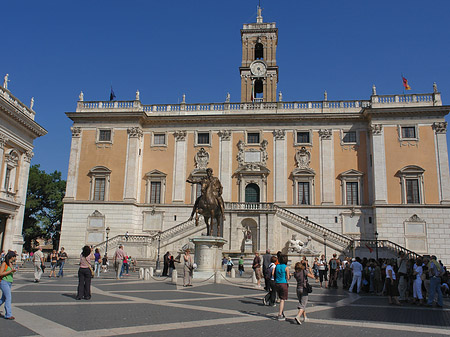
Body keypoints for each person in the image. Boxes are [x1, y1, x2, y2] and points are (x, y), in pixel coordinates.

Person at [293, 261, 315, 325]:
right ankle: (298, 316)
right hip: (304, 289)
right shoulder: (304, 272)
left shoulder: (295, 273)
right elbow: (312, 277)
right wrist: (310, 271)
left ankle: (305, 317)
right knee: (303, 304)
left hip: (298, 289)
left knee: (301, 303)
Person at [0, 251, 17, 320]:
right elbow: (0, 273)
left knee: (3, 298)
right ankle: (8, 314)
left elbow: (11, 272)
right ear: (11, 257)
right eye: (14, 256)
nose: (15, 258)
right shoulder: (4, 263)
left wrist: (13, 271)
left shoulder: (10, 263)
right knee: (8, 297)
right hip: (4, 282)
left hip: (9, 282)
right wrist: (10, 271)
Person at [274, 254, 290, 321]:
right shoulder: (286, 267)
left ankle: (282, 312)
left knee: (280, 297)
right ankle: (280, 314)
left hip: (277, 283)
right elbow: (288, 278)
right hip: (283, 283)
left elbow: (274, 274)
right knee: (282, 300)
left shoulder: (277, 266)